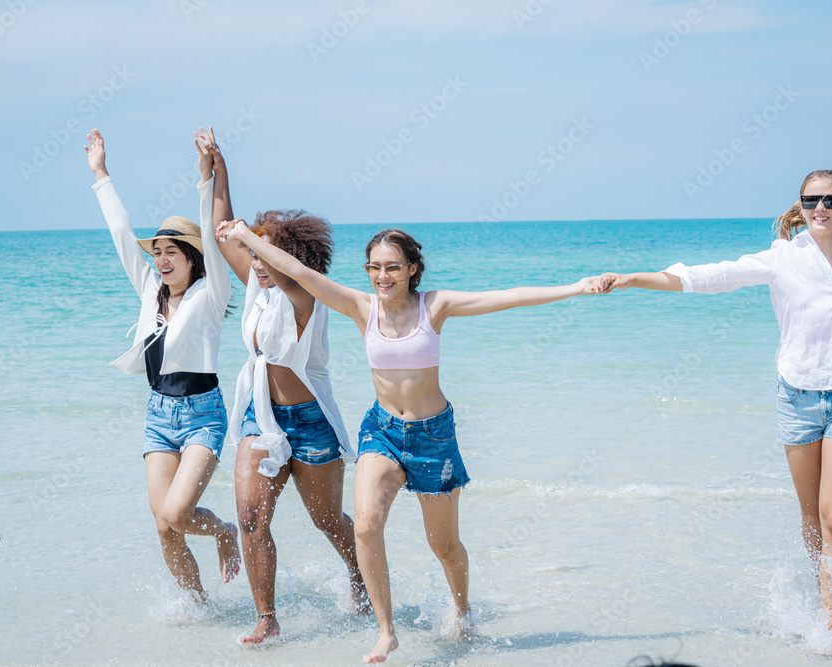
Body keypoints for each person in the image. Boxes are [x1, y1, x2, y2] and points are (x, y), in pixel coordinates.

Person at [216, 219, 604, 663]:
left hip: (433, 435)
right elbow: (301, 274)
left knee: (445, 546)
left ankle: (461, 607)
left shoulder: (434, 307)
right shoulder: (362, 307)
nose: (383, 276)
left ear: (412, 269)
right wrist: (245, 238)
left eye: (393, 268)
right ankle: (386, 631)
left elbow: (506, 298)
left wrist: (576, 287)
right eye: (375, 267)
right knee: (365, 525)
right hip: (381, 430)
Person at [598, 169, 832, 650]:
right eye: (811, 201)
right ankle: (819, 590)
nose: (820, 209)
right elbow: (709, 276)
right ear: (801, 207)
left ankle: (828, 625)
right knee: (810, 518)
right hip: (798, 399)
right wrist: (631, 279)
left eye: (830, 200)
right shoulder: (782, 259)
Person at [193, 129, 368, 644]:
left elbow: (282, 271)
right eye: (256, 258)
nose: (256, 266)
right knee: (250, 517)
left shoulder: (305, 294)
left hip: (311, 420)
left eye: (267, 256)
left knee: (326, 520)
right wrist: (215, 167)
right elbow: (223, 227)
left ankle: (361, 577)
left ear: (291, 259)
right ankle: (267, 617)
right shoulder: (260, 288)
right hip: (260, 417)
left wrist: (252, 239)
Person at [85, 128, 240, 603]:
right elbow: (119, 234)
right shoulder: (150, 293)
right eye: (158, 252)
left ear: (193, 259)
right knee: (164, 526)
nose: (162, 259)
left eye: (172, 251)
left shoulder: (212, 296)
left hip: (202, 415)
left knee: (177, 513)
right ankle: (198, 609)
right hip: (158, 416)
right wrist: (100, 175)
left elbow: (213, 245)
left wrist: (204, 179)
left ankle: (225, 532)